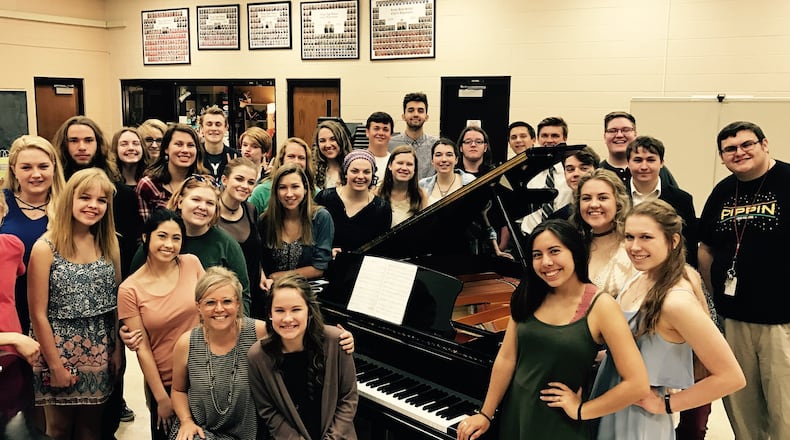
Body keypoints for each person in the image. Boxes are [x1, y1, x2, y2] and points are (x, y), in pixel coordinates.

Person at [456, 219, 649, 440]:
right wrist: (486, 413)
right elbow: (507, 358)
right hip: (517, 415)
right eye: (537, 255)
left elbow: (637, 384)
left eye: (554, 251)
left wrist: (582, 410)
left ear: (575, 252)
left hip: (560, 426)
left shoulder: (602, 306)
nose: (546, 262)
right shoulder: (528, 294)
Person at [592, 200, 745, 440]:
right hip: (610, 396)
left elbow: (731, 377)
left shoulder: (676, 301)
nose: (634, 246)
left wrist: (666, 404)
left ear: (673, 241)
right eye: (629, 237)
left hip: (638, 418)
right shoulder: (638, 277)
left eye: (646, 237)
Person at [698, 121, 790, 440]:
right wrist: (716, 297)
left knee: (784, 412)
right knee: (742, 410)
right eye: (730, 149)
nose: (739, 152)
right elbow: (706, 247)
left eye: (746, 144)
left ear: (764, 144)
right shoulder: (723, 191)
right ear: (722, 157)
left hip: (782, 323)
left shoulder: (787, 180)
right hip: (734, 321)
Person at [27, 168, 122, 440]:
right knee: (58, 428)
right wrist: (55, 366)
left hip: (100, 347)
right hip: (57, 348)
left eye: (101, 200)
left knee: (90, 429)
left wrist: (118, 351)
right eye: (85, 197)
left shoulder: (109, 243)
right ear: (70, 198)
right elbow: (37, 314)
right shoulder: (45, 247)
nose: (93, 205)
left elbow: (116, 302)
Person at [118, 209, 206, 440]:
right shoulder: (129, 289)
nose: (169, 244)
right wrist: (161, 398)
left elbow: (211, 308)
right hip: (167, 380)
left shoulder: (192, 263)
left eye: (176, 238)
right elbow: (143, 348)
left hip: (206, 373)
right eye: (162, 236)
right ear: (146, 237)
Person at [248, 273, 358, 440]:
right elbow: (268, 411)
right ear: (270, 314)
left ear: (309, 311)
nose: (287, 318)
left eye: (296, 309)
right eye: (279, 310)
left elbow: (348, 398)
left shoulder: (337, 340)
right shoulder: (257, 356)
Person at [0, 135, 66, 335]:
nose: (36, 174)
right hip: (9, 311)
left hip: (60, 313)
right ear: (14, 170)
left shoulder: (69, 206)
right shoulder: (2, 204)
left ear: (54, 167)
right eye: (26, 167)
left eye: (43, 166)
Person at [625, 136, 698, 268]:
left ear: (662, 162)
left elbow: (690, 247)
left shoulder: (682, 199)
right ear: (628, 163)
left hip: (667, 271)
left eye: (651, 160)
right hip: (624, 269)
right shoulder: (616, 197)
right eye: (637, 160)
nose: (644, 166)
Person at [259, 163, 333, 290]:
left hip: (309, 290)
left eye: (295, 187)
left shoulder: (321, 217)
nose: (289, 194)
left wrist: (279, 276)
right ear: (276, 191)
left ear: (305, 189)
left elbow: (319, 267)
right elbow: (257, 259)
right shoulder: (265, 220)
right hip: (272, 290)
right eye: (283, 187)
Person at [570, 168, 637, 297]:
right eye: (586, 198)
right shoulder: (573, 246)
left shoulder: (634, 245)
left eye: (602, 198)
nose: (594, 204)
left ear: (618, 202)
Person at [315, 149, 391, 253]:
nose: (360, 176)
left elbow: (380, 250)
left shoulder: (382, 209)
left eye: (366, 172)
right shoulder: (325, 199)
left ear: (372, 174)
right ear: (345, 173)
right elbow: (312, 237)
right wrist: (327, 252)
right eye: (354, 171)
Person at [217, 157, 265, 318]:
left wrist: (262, 274)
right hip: (223, 298)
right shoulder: (210, 212)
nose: (245, 186)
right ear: (225, 180)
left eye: (251, 182)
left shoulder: (251, 210)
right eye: (239, 179)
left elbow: (255, 250)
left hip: (253, 292)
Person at [136, 124, 208, 222]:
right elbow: (144, 226)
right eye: (178, 144)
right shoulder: (148, 185)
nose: (185, 150)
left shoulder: (205, 184)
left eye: (190, 145)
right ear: (166, 148)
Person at [520, 116, 574, 235]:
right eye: (544, 136)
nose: (549, 140)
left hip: (563, 235)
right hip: (528, 236)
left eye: (555, 136)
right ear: (538, 138)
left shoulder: (572, 171)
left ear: (564, 138)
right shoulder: (526, 170)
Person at [108, 127, 149, 279]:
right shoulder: (110, 184)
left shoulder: (151, 182)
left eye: (136, 144)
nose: (131, 148)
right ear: (115, 149)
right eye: (124, 144)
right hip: (119, 253)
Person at [599, 111, 677, 188]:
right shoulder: (597, 172)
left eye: (626, 130)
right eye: (612, 131)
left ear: (635, 134)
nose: (619, 135)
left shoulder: (658, 171)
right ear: (605, 137)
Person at [249, 137, 317, 214]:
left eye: (301, 158)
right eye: (291, 156)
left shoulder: (316, 193)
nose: (296, 161)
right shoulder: (261, 192)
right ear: (281, 160)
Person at [388, 92, 439, 180]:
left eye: (420, 111)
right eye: (411, 110)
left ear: (426, 117)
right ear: (403, 116)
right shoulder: (390, 145)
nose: (416, 114)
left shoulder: (436, 145)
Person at [51, 116, 119, 182]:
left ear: (99, 143)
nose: (82, 147)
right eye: (74, 141)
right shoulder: (52, 184)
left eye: (88, 140)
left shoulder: (117, 186)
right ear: (63, 144)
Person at [375, 145, 427, 226]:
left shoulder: (421, 195)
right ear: (390, 165)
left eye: (409, 164)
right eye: (400, 163)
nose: (404, 168)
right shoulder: (376, 193)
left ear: (414, 169)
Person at [549, 146, 601, 222]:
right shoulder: (558, 218)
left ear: (596, 170)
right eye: (570, 169)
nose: (576, 174)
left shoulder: (609, 207)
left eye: (584, 168)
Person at [419, 138, 475, 205]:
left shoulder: (470, 181)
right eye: (438, 155)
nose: (444, 159)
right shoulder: (422, 185)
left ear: (456, 160)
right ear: (432, 161)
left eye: (449, 155)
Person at [199, 106, 239, 179]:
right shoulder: (194, 156)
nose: (214, 128)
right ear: (202, 128)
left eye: (218, 124)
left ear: (226, 128)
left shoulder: (236, 157)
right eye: (209, 124)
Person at [313, 120, 353, 190]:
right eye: (322, 141)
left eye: (333, 139)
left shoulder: (353, 168)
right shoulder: (312, 171)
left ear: (342, 140)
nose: (328, 145)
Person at [365, 111, 394, 183]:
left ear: (391, 134)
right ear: (367, 132)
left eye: (385, 129)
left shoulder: (394, 162)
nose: (381, 133)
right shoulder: (357, 160)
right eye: (376, 128)